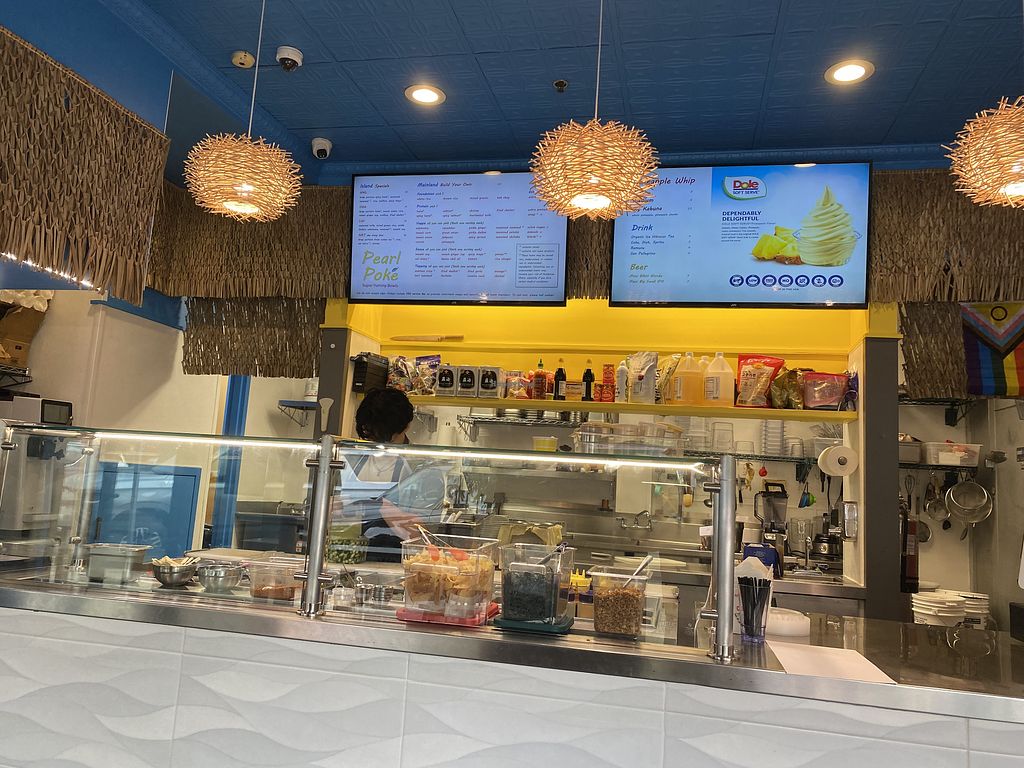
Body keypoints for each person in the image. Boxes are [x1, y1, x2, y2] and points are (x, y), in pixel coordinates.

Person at [344, 388, 447, 561]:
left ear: (406, 426)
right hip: (347, 557)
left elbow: (422, 535)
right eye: (370, 435)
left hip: (399, 562)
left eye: (384, 437)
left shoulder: (424, 471)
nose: (376, 443)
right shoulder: (349, 460)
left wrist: (381, 507)